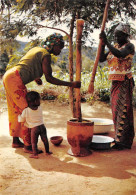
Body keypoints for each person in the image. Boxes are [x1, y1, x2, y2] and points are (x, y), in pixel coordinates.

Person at [3, 33, 81, 153]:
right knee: (28, 111)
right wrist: (71, 84)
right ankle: (28, 146)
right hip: (15, 79)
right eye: (60, 46)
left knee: (16, 110)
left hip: (10, 75)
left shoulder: (37, 49)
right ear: (53, 44)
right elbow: (49, 78)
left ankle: (15, 140)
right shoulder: (46, 55)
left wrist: (35, 77)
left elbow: (28, 64)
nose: (60, 50)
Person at [99, 23, 135, 150]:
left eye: (118, 35)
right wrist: (102, 45)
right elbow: (102, 59)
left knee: (123, 110)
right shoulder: (113, 46)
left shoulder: (129, 46)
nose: (115, 37)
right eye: (114, 35)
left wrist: (106, 41)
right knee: (115, 111)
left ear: (125, 35)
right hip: (115, 83)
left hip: (124, 82)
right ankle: (119, 138)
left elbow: (120, 55)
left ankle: (124, 142)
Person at [18, 91, 52, 159]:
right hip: (42, 126)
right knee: (45, 139)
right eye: (39, 99)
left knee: (34, 142)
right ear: (36, 101)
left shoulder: (26, 111)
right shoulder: (40, 108)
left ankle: (35, 154)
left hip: (34, 129)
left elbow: (21, 120)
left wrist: (19, 116)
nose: (40, 101)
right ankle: (47, 151)